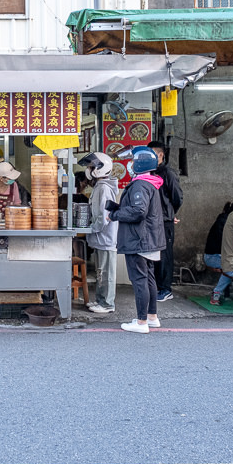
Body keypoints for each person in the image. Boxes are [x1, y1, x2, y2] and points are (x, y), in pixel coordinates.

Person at [109, 146, 165, 333]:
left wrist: (115, 214)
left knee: (140, 279)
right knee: (148, 277)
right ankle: (151, 317)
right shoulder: (150, 184)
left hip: (139, 239)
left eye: (131, 161)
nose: (129, 165)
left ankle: (141, 322)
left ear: (139, 164)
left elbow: (138, 211)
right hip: (148, 238)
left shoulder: (140, 185)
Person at [79, 152, 119, 314]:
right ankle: (101, 300)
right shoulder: (100, 187)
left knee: (106, 273)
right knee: (101, 272)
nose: (89, 170)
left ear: (100, 169)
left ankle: (108, 304)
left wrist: (91, 228)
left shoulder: (103, 188)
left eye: (91, 167)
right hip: (101, 237)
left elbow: (103, 217)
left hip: (105, 237)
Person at [148, 140, 182, 302]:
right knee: (153, 254)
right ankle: (156, 286)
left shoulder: (168, 173)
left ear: (160, 155)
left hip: (165, 221)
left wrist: (170, 213)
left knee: (165, 255)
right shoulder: (150, 172)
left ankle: (166, 289)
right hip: (152, 221)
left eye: (151, 154)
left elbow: (177, 197)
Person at [205, 200, 233, 304]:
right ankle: (217, 293)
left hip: (221, 256)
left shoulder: (226, 219)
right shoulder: (225, 222)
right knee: (232, 266)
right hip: (213, 257)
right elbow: (232, 243)